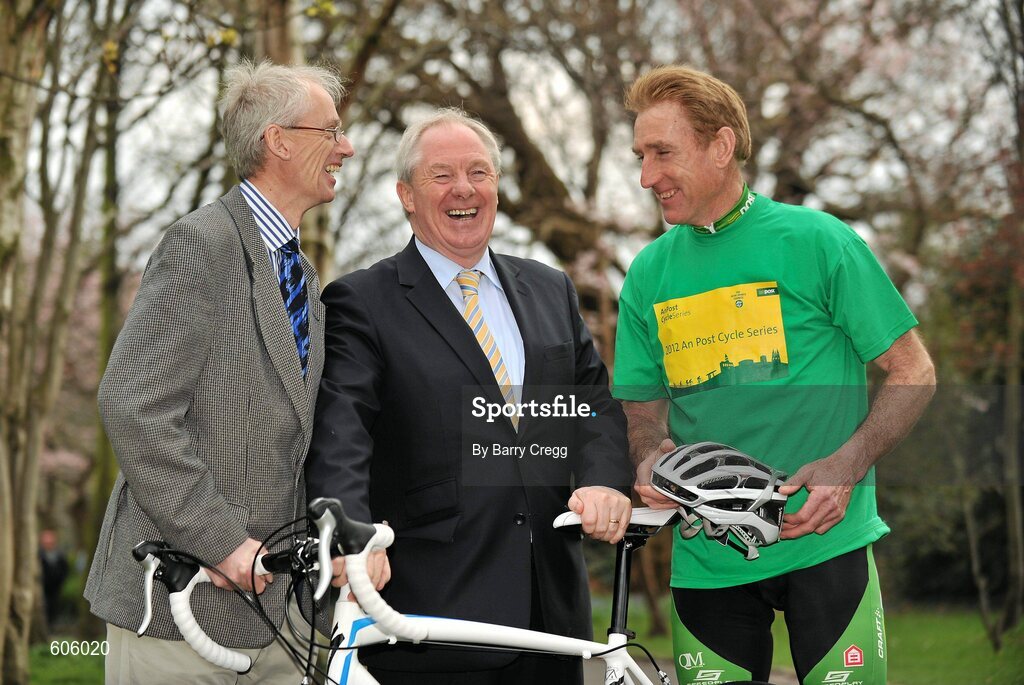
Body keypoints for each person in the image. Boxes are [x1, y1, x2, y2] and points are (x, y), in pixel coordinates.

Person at [614, 65, 936, 685]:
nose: (647, 176)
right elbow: (641, 406)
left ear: (721, 146)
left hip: (826, 540)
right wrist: (649, 453)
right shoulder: (647, 274)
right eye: (640, 157)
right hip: (709, 559)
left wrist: (848, 465)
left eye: (662, 153)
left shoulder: (819, 241)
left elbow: (913, 369)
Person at [305, 107, 633, 685]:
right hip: (430, 619)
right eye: (442, 175)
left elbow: (592, 405)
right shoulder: (362, 301)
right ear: (406, 195)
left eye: (479, 172)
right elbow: (342, 432)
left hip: (552, 616)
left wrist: (604, 479)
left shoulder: (550, 288)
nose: (464, 189)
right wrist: (353, 536)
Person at [84, 60, 360, 683]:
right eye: (331, 131)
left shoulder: (301, 273)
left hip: (281, 622)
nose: (345, 147)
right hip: (179, 614)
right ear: (278, 140)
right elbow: (132, 403)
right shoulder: (203, 242)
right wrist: (222, 542)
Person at [39, 529, 69, 630]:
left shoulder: (60, 556)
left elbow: (65, 570)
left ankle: (52, 627)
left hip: (56, 588)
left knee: (54, 608)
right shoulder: (39, 556)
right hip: (43, 588)